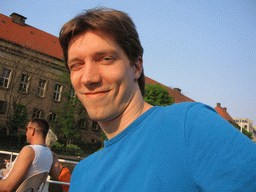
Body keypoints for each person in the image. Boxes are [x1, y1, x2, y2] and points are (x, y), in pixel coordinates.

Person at [59, 7, 256, 191]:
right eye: (76, 65)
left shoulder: (188, 127)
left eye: (105, 59)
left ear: (136, 67)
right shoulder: (81, 176)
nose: (88, 78)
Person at [0, 119, 54, 192]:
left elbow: (8, 186)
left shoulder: (30, 151)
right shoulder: (50, 154)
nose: (26, 133)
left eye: (27, 129)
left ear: (33, 131)